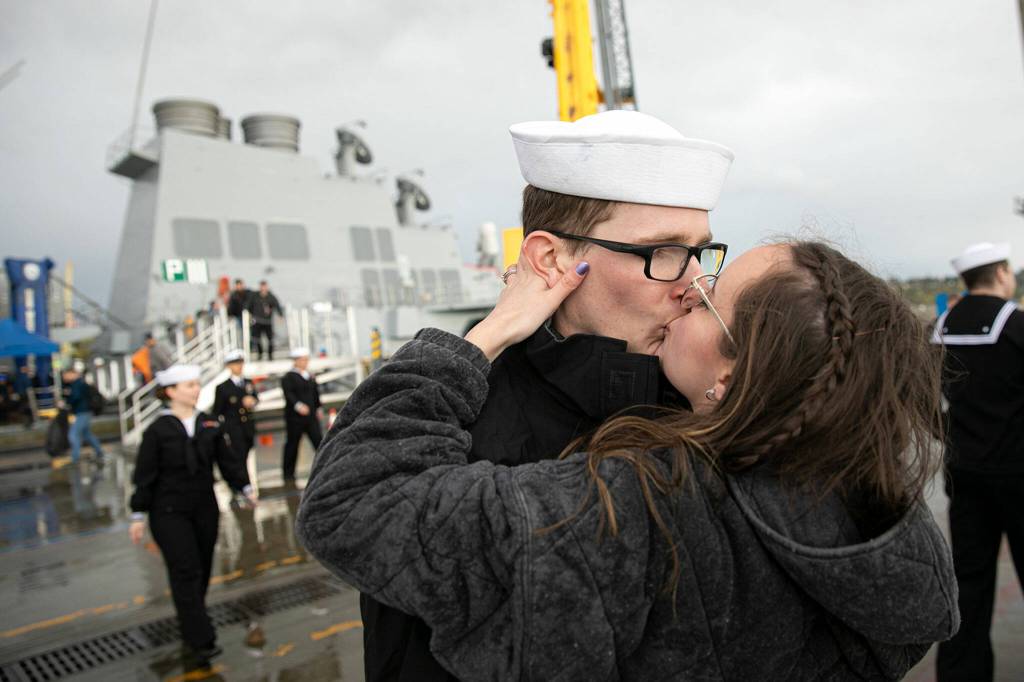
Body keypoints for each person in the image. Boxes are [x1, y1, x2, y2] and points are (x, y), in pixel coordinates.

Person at [297, 240, 960, 681]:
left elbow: (351, 502)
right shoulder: (877, 517)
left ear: (732, 383)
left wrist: (486, 335)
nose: (687, 283)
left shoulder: (638, 512)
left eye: (709, 294)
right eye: (685, 260)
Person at [358, 110, 734, 682]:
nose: (693, 285)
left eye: (699, 253)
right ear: (551, 260)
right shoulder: (463, 437)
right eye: (662, 253)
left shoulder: (702, 403)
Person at [932, 242, 1024, 682]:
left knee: (968, 584)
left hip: (964, 475)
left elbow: (919, 397)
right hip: (1018, 475)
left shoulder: (941, 327)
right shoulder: (1017, 326)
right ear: (1003, 274)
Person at [128, 364, 257, 666]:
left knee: (199, 570)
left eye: (197, 384)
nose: (196, 389)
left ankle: (191, 624)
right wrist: (137, 514)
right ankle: (201, 639)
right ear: (170, 391)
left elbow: (227, 462)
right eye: (188, 385)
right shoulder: (158, 430)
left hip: (204, 508)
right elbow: (145, 474)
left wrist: (245, 488)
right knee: (184, 570)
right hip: (168, 511)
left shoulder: (209, 424)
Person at [281, 347, 321, 483]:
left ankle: (323, 467)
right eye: (302, 360)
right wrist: (298, 405)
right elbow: (289, 394)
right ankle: (288, 473)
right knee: (292, 445)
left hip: (311, 417)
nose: (305, 362)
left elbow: (315, 394)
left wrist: (318, 408)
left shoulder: (309, 376)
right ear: (296, 361)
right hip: (295, 418)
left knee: (319, 442)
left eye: (306, 359)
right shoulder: (288, 377)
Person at [212, 350, 259, 466]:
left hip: (248, 426)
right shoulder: (223, 387)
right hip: (234, 429)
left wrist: (253, 401)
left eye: (240, 363)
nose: (239, 366)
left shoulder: (248, 382)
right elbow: (217, 411)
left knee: (248, 455)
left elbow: (256, 397)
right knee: (239, 458)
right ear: (229, 366)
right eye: (235, 363)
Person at [62, 368, 106, 464]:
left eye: (65, 375)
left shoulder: (77, 384)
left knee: (73, 434)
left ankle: (75, 458)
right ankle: (100, 452)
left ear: (71, 373)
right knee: (87, 434)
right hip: (84, 411)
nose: (64, 377)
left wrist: (66, 402)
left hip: (82, 411)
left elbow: (76, 397)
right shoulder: (80, 382)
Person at [248, 281, 282, 360]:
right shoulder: (255, 296)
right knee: (257, 338)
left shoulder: (271, 297)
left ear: (267, 287)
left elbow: (277, 305)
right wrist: (248, 314)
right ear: (260, 287)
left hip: (267, 322)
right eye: (262, 287)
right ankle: (260, 354)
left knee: (270, 339)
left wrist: (280, 315)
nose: (263, 288)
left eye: (265, 286)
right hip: (257, 321)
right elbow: (248, 305)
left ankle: (270, 355)